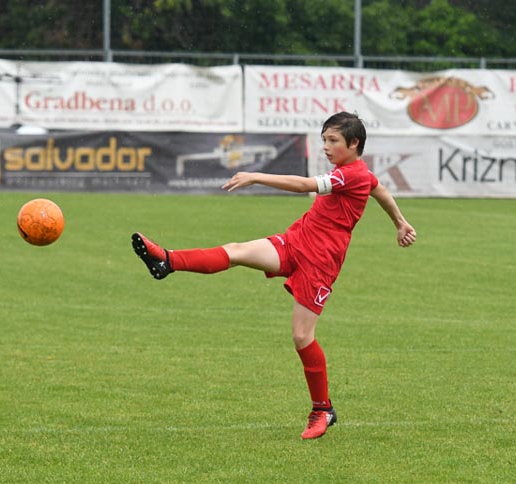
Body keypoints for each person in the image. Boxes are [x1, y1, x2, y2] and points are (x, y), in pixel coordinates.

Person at [131, 112, 416, 439]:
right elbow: (380, 190)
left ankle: (323, 409)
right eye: (324, 139)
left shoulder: (350, 175)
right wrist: (400, 222)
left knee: (301, 336)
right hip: (298, 240)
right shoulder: (360, 174)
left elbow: (305, 186)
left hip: (320, 262)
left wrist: (256, 176)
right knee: (237, 251)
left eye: (332, 140)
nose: (325, 146)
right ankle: (167, 261)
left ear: (354, 144)